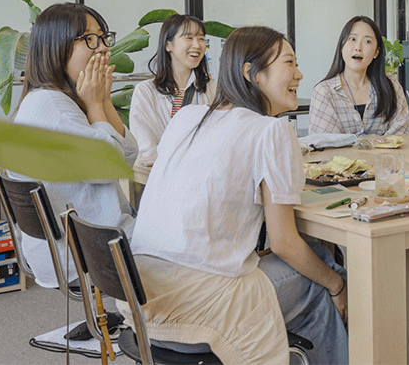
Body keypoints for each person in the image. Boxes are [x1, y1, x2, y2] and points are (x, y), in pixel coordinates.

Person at [128, 27, 348, 364]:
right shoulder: (271, 130)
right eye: (289, 63)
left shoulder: (188, 116)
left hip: (140, 301)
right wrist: (337, 286)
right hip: (200, 311)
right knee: (325, 276)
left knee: (314, 262)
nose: (300, 74)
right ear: (251, 73)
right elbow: (285, 242)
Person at [10, 3, 138, 289]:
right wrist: (95, 104)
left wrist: (102, 100)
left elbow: (126, 157)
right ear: (57, 48)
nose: (103, 48)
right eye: (90, 39)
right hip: (87, 251)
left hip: (86, 242)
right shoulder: (51, 107)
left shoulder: (56, 100)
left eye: (104, 37)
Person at [130, 14, 215, 158]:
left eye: (201, 38)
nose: (197, 45)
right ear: (168, 45)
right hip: (161, 175)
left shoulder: (212, 89)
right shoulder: (146, 92)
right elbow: (146, 148)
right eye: (189, 38)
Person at [308, 16, 409, 135]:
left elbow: (402, 134)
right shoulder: (325, 92)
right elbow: (326, 144)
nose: (358, 48)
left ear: (376, 52)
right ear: (342, 45)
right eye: (352, 39)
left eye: (367, 41)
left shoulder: (391, 86)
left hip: (387, 155)